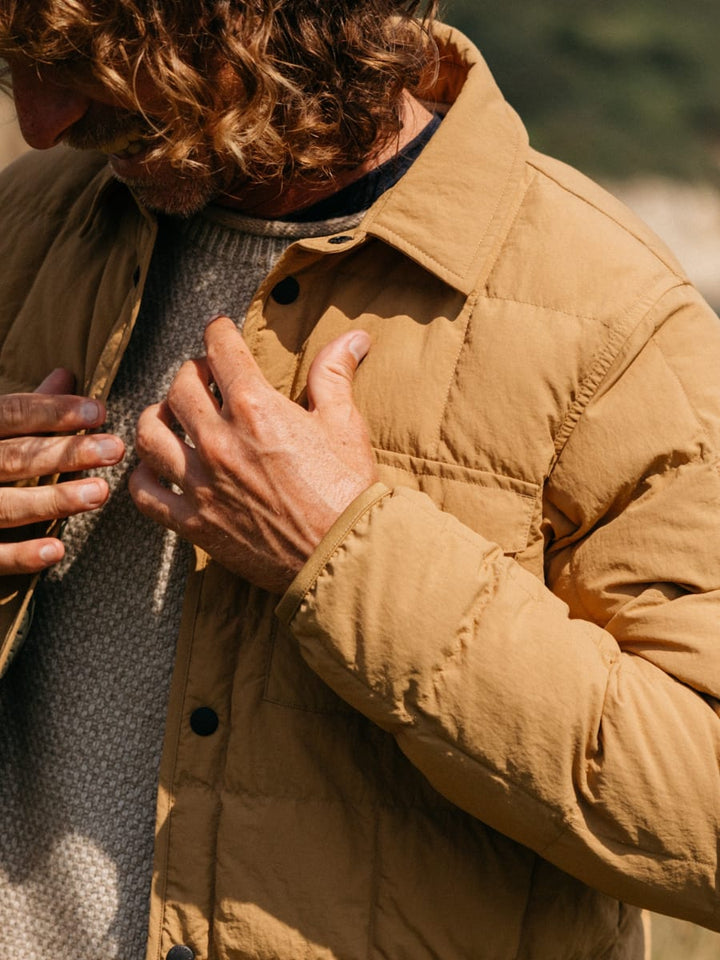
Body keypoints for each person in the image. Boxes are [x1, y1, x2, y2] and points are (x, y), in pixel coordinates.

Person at [0, 0, 718, 957]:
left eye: (95, 62)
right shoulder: (27, 220)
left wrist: (348, 555)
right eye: (21, 68)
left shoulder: (620, 322)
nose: (41, 124)